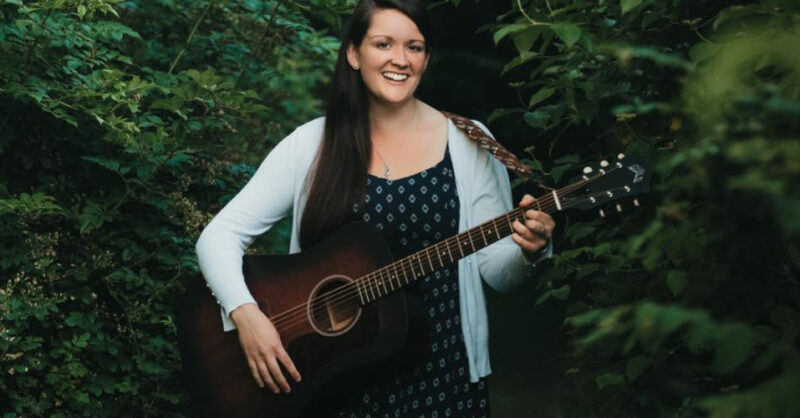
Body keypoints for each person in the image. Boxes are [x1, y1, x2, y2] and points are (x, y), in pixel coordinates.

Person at [194, 0, 555, 416]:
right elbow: (218, 237)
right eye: (383, 44)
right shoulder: (311, 145)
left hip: (445, 377)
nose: (400, 59)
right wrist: (246, 315)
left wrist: (529, 250)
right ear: (354, 53)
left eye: (414, 47)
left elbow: (497, 272)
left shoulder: (468, 142)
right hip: (336, 381)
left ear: (426, 59)